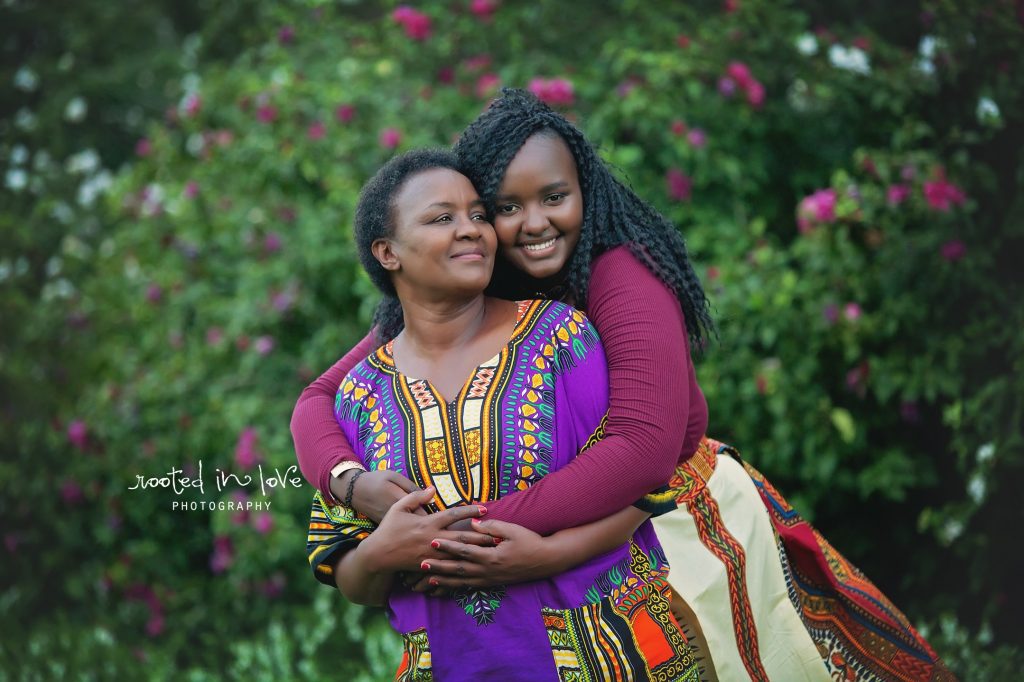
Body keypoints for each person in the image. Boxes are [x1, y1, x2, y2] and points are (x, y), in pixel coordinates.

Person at [296, 91, 954, 681]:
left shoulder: (620, 276)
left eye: (554, 197)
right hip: (546, 560)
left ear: (585, 191)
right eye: (503, 206)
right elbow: (318, 401)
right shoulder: (461, 296)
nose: (531, 223)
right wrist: (357, 486)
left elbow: (645, 449)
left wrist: (457, 539)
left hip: (678, 519)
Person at [306, 148, 701, 681]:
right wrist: (382, 553)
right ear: (387, 252)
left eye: (477, 214)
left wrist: (547, 553)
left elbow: (642, 487)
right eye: (442, 218)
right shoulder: (358, 394)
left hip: (608, 655)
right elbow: (348, 574)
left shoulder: (560, 338)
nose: (471, 229)